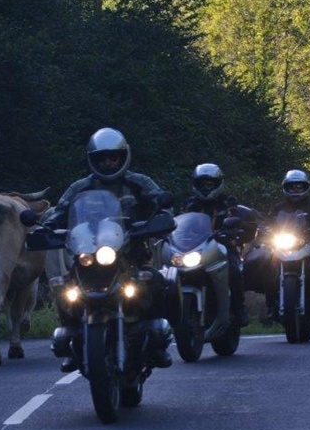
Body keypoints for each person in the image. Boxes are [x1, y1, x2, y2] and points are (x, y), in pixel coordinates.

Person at [41, 127, 175, 372]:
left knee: (157, 282)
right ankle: (71, 342)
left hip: (131, 256)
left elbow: (162, 206)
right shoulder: (80, 188)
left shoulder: (138, 183)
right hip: (88, 258)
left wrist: (161, 218)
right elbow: (59, 214)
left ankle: (157, 343)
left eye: (112, 157)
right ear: (93, 159)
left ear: (123, 156)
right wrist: (45, 229)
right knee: (64, 286)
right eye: (102, 158)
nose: (108, 163)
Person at [178, 162, 252, 333]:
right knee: (171, 272)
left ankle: (239, 308)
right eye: (202, 184)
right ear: (195, 184)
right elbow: (179, 222)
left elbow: (234, 218)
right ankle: (171, 312)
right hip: (193, 247)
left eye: (209, 184)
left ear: (218, 183)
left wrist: (232, 230)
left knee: (233, 270)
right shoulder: (189, 203)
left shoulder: (227, 202)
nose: (205, 187)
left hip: (222, 246)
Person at [262, 169, 310, 322]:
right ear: (285, 188)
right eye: (292, 187)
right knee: (267, 264)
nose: (295, 190)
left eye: (299, 187)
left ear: (305, 187)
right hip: (282, 245)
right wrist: (263, 229)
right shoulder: (278, 208)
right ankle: (269, 305)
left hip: (309, 245)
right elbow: (268, 222)